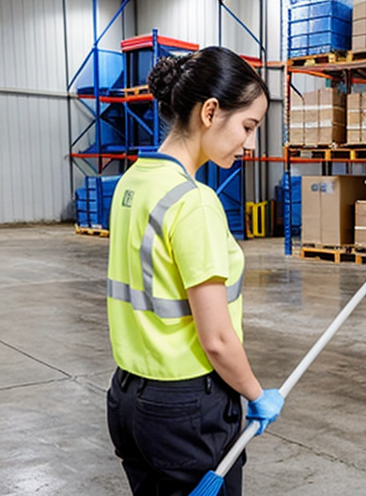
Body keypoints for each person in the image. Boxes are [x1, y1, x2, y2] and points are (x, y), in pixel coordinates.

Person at [105, 46, 283, 496]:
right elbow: (217, 339)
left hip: (128, 399)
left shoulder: (132, 182)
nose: (249, 144)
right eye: (248, 127)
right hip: (185, 412)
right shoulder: (194, 202)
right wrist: (256, 394)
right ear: (210, 112)